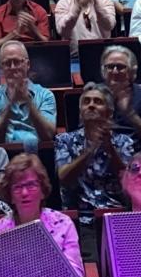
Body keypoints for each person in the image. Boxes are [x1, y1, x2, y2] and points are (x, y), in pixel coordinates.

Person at [0, 152, 84, 277]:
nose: (24, 192)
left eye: (31, 185)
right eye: (17, 187)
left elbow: (76, 272)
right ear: (10, 195)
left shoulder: (63, 223)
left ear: (43, 191)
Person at [56, 84, 134, 229]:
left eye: (97, 102)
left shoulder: (124, 142)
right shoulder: (64, 140)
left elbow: (128, 182)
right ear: (80, 112)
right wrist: (89, 151)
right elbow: (64, 177)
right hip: (79, 219)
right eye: (87, 102)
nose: (91, 105)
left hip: (116, 216)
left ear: (109, 112)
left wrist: (109, 148)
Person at [0, 39, 57, 148]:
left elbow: (49, 136)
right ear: (1, 68)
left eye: (17, 62)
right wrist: (11, 103)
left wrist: (28, 101)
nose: (12, 67)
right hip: (4, 154)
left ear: (27, 64)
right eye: (7, 63)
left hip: (38, 153)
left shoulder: (45, 95)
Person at [99, 44, 141, 140]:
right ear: (103, 71)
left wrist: (129, 114)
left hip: (134, 149)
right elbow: (83, 133)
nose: (115, 71)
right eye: (110, 67)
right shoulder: (93, 94)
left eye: (120, 67)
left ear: (132, 71)